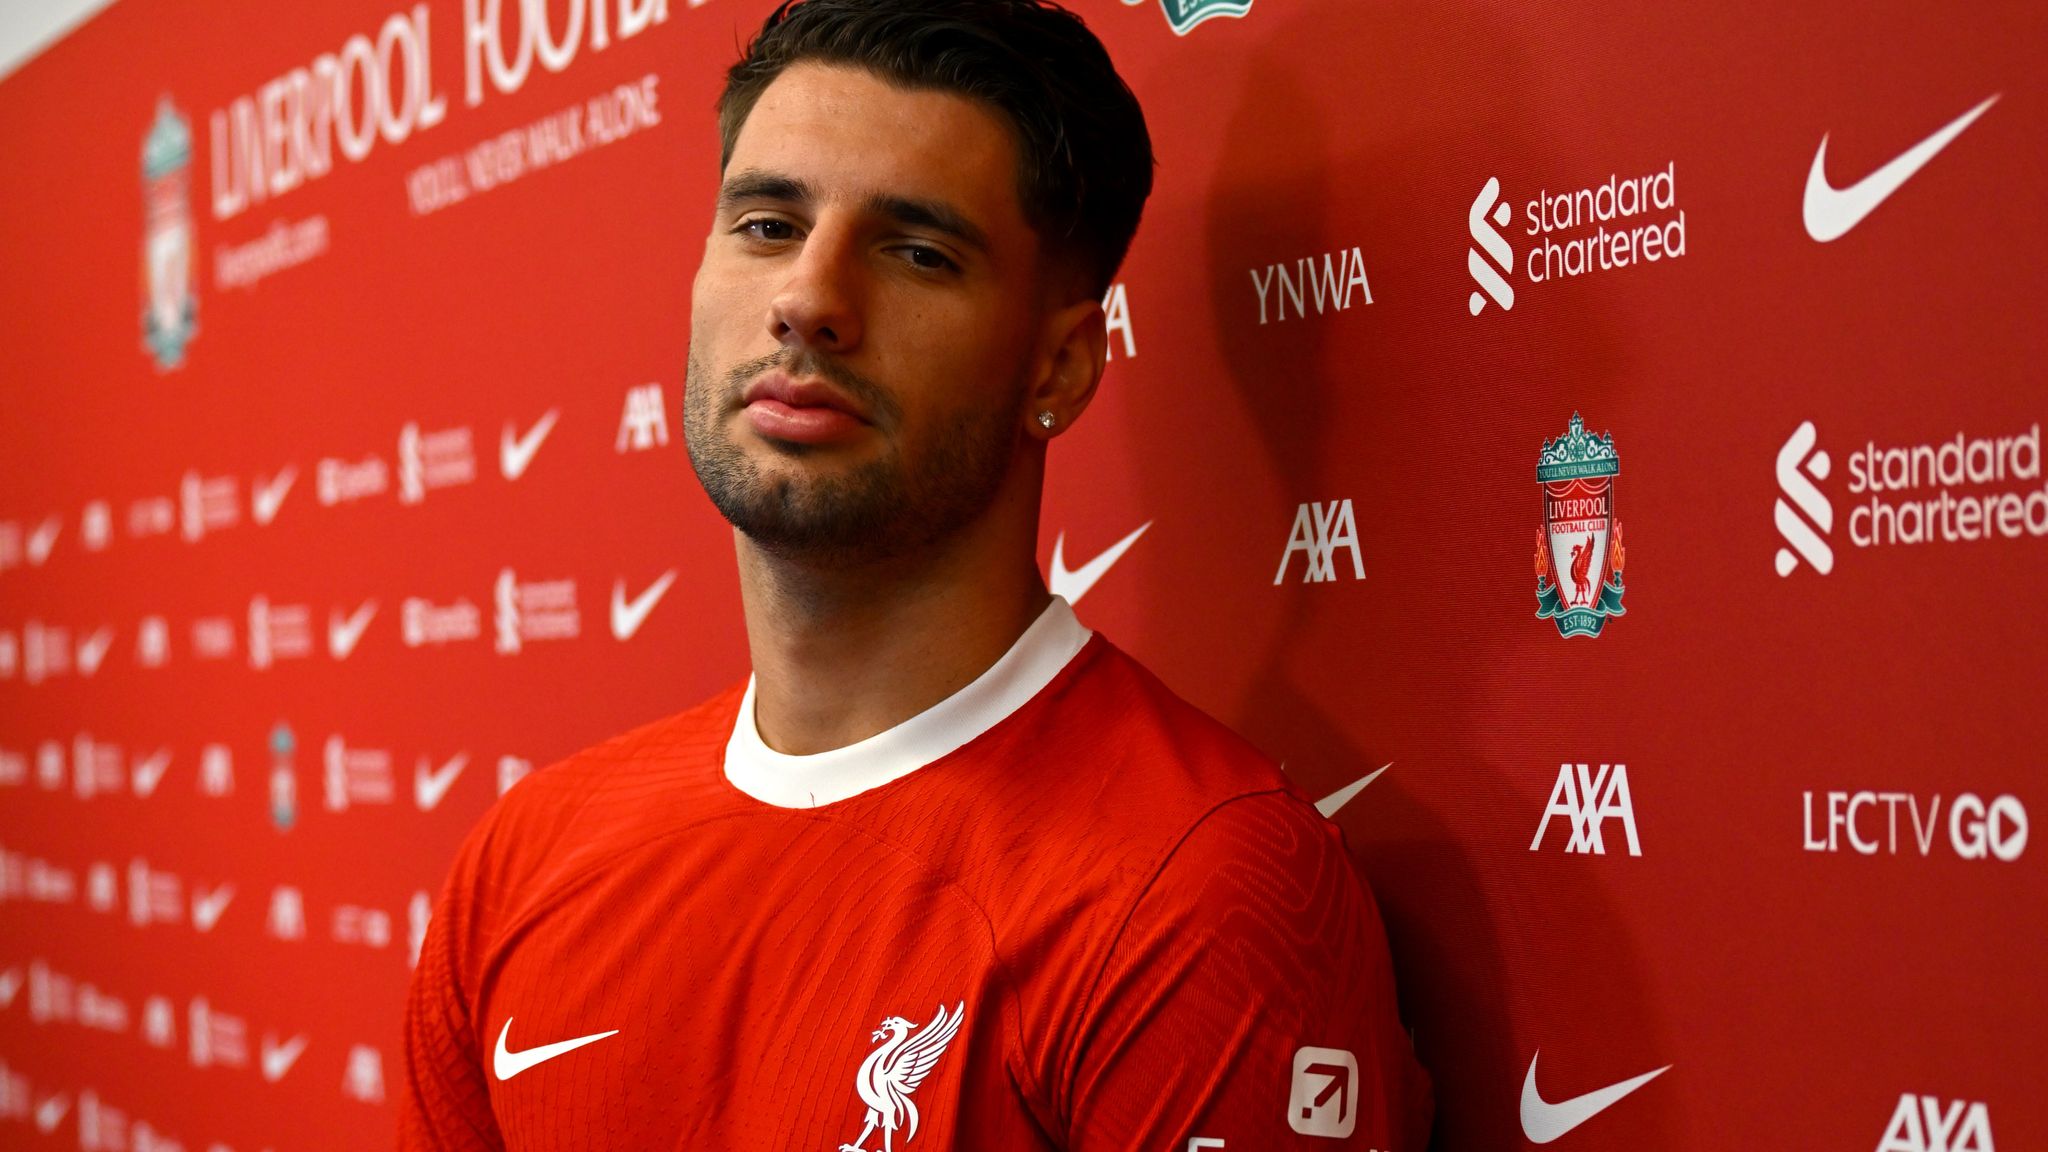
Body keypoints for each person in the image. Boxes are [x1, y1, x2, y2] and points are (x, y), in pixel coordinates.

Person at [398, 1, 1432, 1147]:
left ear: (1061, 366)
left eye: (918, 252)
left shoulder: (1193, 889)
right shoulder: (527, 858)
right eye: (765, 224)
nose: (809, 301)